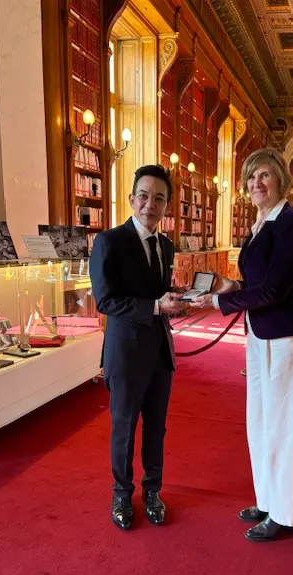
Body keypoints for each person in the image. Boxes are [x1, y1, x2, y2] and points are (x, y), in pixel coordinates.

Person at [190, 148, 293, 542]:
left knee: (286, 425)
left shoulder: (292, 221)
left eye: (264, 174)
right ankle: (267, 499)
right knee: (261, 421)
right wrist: (232, 287)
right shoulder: (259, 225)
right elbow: (260, 284)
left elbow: (278, 288)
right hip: (261, 332)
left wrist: (218, 303)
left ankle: (287, 513)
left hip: (289, 335)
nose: (256, 183)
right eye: (250, 177)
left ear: (281, 179)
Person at [90, 165, 187, 531]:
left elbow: (156, 292)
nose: (150, 204)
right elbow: (105, 301)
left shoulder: (166, 245)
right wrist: (156, 306)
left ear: (167, 206)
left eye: (159, 198)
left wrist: (176, 298)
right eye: (144, 196)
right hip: (126, 353)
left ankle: (152, 491)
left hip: (160, 350)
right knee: (124, 427)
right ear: (132, 199)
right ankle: (121, 494)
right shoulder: (109, 242)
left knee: (156, 427)